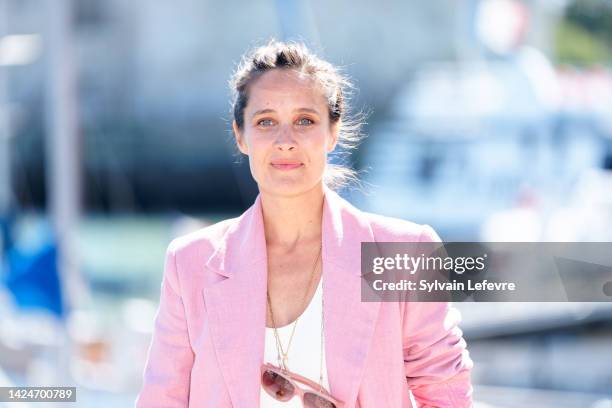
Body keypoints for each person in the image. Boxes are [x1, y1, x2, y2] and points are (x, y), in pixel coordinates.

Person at [135, 40, 473, 408]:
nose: (285, 141)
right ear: (240, 135)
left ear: (332, 133)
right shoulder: (190, 263)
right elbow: (161, 400)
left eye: (304, 121)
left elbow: (447, 397)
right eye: (266, 122)